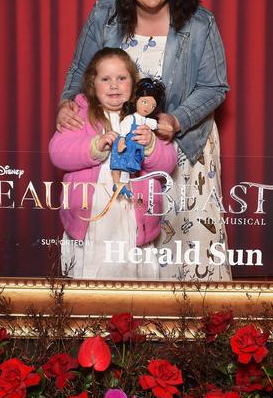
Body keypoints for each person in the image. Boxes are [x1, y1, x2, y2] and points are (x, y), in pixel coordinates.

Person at [56, 0, 232, 281]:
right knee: (128, 240)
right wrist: (66, 103)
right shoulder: (104, 14)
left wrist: (175, 120)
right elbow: (81, 70)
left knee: (189, 245)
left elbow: (214, 87)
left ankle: (198, 326)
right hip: (116, 150)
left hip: (183, 146)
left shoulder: (199, 23)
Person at [49, 48, 177, 280]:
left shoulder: (148, 120)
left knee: (134, 280)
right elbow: (58, 153)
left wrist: (149, 146)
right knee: (90, 277)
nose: (114, 85)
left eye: (121, 78)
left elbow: (167, 165)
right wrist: (94, 147)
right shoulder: (79, 114)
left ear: (134, 83)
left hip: (132, 217)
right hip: (91, 219)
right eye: (106, 79)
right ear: (92, 84)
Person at [111, 77, 166, 196]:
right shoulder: (131, 118)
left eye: (152, 106)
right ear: (136, 100)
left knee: (128, 167)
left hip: (134, 147)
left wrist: (168, 127)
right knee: (118, 164)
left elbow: (157, 125)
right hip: (125, 143)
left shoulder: (146, 120)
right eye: (145, 102)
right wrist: (121, 141)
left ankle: (124, 186)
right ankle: (116, 184)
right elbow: (124, 129)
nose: (148, 107)